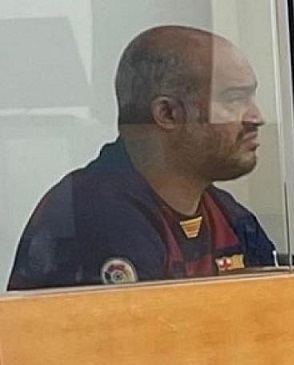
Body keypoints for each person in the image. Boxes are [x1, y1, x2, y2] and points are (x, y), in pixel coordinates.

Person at [7, 26, 276, 290]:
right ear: (168, 114)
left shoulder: (227, 214)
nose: (257, 117)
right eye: (234, 99)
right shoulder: (98, 214)